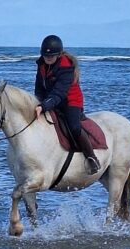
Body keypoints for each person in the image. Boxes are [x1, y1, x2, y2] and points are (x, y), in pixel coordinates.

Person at [34, 35, 100, 175]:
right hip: (51, 100)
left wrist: (44, 106)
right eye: (46, 55)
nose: (48, 58)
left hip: (70, 101)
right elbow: (39, 88)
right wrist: (37, 102)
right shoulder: (41, 65)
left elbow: (59, 93)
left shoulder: (66, 66)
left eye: (51, 56)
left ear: (58, 55)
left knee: (74, 127)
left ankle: (91, 158)